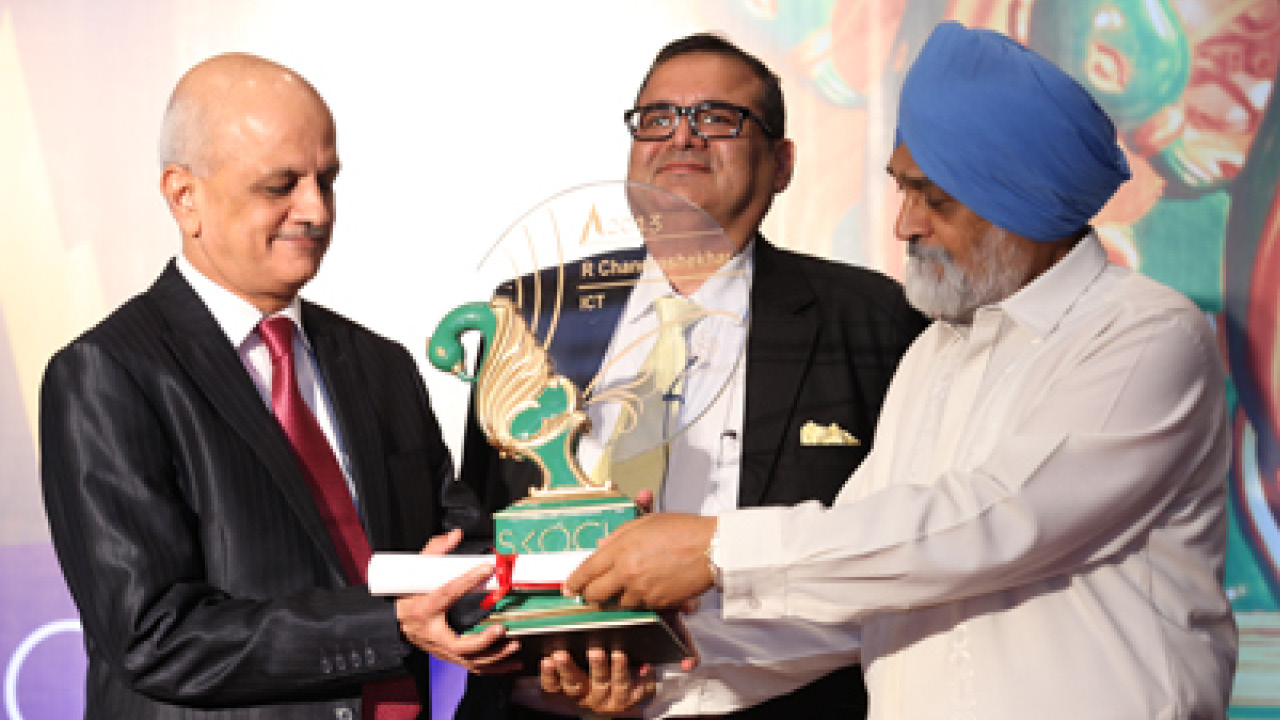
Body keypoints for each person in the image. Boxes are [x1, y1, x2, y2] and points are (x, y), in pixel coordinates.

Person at [565, 21, 1239, 719]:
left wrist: (716, 549)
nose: (905, 226)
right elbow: (851, 591)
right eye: (902, 193)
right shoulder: (934, 354)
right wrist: (652, 664)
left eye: (934, 201)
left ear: (1023, 203)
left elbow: (993, 522)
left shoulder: (1146, 334)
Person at [455, 34, 928, 719]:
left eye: (717, 118)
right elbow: (479, 532)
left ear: (782, 163)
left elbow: (901, 542)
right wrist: (542, 652)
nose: (682, 137)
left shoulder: (873, 319)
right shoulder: (535, 313)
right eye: (657, 118)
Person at [39, 53, 511, 719]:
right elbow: (155, 636)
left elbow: (462, 550)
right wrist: (386, 625)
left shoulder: (380, 365)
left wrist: (577, 564)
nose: (315, 209)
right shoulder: (106, 373)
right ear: (184, 196)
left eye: (327, 180)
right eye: (279, 185)